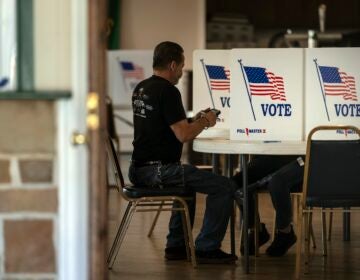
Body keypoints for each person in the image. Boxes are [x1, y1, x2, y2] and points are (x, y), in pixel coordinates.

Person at [128, 41, 238, 264]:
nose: (180, 72)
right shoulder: (168, 91)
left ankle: (176, 245)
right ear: (172, 65)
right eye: (181, 66)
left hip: (139, 168)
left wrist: (194, 120)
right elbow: (183, 135)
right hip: (160, 171)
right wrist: (206, 121)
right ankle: (207, 248)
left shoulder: (142, 88)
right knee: (225, 186)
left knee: (187, 184)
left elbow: (165, 126)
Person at [233, 155, 304, 257]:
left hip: (298, 158)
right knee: (237, 181)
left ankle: (286, 232)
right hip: (269, 154)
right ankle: (256, 229)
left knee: (277, 183)